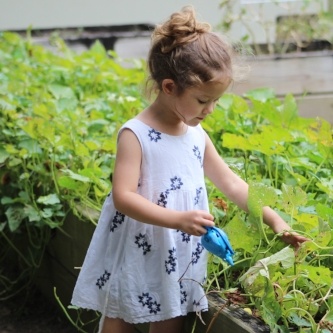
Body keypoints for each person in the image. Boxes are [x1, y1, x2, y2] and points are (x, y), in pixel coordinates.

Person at [71, 6, 308, 333]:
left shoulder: (196, 135)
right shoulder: (136, 135)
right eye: (202, 100)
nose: (209, 110)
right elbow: (123, 197)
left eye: (215, 101)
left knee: (172, 317)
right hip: (141, 246)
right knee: (120, 316)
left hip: (179, 252)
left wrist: (275, 220)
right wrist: (178, 219)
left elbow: (233, 185)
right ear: (169, 87)